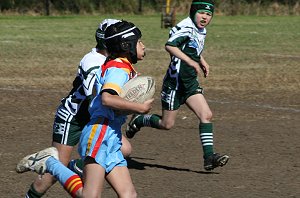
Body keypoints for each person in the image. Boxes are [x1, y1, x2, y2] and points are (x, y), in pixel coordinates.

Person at [16, 20, 153, 198]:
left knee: (128, 195)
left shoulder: (122, 67)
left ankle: (58, 164)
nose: (143, 45)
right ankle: (51, 163)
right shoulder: (118, 69)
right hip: (99, 134)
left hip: (110, 134)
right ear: (127, 45)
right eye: (139, 41)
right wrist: (139, 107)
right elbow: (107, 98)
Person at [125, 0, 229, 171]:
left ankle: (209, 157)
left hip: (189, 83)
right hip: (174, 84)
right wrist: (190, 61)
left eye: (209, 14)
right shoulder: (186, 27)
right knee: (167, 124)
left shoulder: (200, 29)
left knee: (206, 114)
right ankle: (140, 120)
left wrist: (201, 61)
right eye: (201, 13)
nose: (205, 17)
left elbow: (192, 48)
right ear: (193, 12)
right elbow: (170, 46)